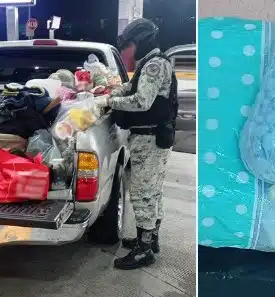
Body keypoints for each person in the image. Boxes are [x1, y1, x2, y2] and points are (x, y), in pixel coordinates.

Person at [95, 18, 178, 270]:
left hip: (150, 138)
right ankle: (150, 240)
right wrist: (109, 92)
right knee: (153, 191)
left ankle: (144, 251)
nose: (126, 51)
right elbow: (131, 87)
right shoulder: (151, 63)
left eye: (128, 45)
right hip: (153, 137)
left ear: (140, 42)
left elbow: (142, 101)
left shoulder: (154, 65)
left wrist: (108, 103)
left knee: (143, 193)